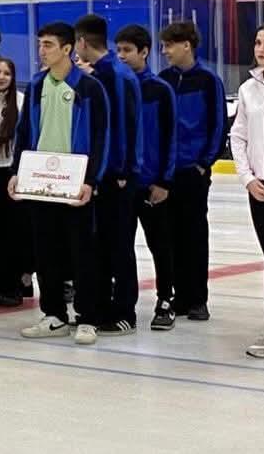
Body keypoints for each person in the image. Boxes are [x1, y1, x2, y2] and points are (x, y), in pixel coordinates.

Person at [9, 22, 109, 345]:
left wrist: (91, 180)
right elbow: (24, 132)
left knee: (82, 252)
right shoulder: (36, 86)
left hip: (75, 183)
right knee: (45, 251)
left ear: (67, 48)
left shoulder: (90, 88)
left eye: (49, 45)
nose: (42, 50)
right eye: (40, 44)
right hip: (41, 181)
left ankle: (88, 317)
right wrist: (17, 171)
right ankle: (54, 315)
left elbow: (101, 137)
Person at [74, 13, 143, 337]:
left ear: (81, 42)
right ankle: (99, 306)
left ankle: (125, 310)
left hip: (117, 175)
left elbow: (124, 125)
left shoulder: (115, 74)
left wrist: (123, 170)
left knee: (119, 245)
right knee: (98, 245)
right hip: (100, 174)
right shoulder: (99, 74)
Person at [158, 20, 226, 322]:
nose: (165, 51)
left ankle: (198, 298)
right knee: (170, 236)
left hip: (193, 171)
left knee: (194, 235)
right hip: (166, 172)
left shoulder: (209, 81)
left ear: (187, 45)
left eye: (169, 45)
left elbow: (218, 125)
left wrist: (203, 163)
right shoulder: (163, 80)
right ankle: (179, 297)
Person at [115, 25, 178, 331]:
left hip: (152, 183)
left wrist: (164, 181)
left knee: (160, 244)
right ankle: (121, 303)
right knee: (121, 246)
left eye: (127, 50)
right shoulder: (115, 86)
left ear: (144, 52)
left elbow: (170, 136)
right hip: (123, 184)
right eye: (118, 50)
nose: (121, 56)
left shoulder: (160, 89)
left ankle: (166, 299)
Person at [231, 22, 264, 358]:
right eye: (258, 42)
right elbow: (239, 136)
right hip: (259, 189)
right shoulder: (248, 90)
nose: (261, 49)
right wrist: (247, 178)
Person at [0, 57, 30, 306]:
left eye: (6, 73)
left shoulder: (21, 101)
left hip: (11, 173)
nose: (1, 77)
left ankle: (14, 285)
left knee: (13, 232)